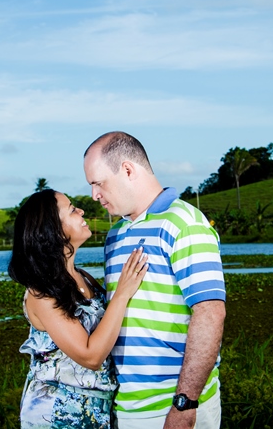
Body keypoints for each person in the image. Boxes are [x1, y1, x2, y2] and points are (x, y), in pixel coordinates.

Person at [83, 132, 226, 429]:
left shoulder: (184, 223)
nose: (94, 195)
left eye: (98, 182)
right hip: (124, 408)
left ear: (127, 170)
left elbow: (210, 313)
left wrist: (185, 403)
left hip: (173, 406)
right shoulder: (115, 236)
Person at [8, 188, 149, 429]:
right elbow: (90, 356)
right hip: (56, 413)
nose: (82, 210)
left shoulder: (82, 277)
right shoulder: (41, 292)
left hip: (96, 410)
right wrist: (123, 293)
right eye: (72, 209)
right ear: (53, 230)